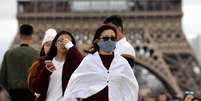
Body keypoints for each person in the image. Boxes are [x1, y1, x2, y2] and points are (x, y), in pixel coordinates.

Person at [63, 24, 139, 101]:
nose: (109, 41)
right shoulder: (89, 61)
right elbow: (74, 84)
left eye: (113, 38)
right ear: (98, 41)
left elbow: (132, 87)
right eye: (106, 38)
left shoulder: (123, 63)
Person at [28, 31, 83, 101]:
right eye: (60, 40)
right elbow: (36, 88)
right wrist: (45, 72)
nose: (63, 43)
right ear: (55, 44)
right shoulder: (46, 62)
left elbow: (81, 63)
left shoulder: (72, 63)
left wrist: (70, 46)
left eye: (67, 41)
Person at [0, 24, 37, 101]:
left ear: (19, 36)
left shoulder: (9, 53)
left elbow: (2, 77)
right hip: (31, 93)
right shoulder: (36, 54)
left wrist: (9, 89)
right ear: (31, 37)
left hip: (14, 94)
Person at [27, 28, 57, 97]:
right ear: (43, 48)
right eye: (47, 45)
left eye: (52, 45)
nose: (50, 48)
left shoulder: (64, 62)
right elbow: (32, 86)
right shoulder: (37, 64)